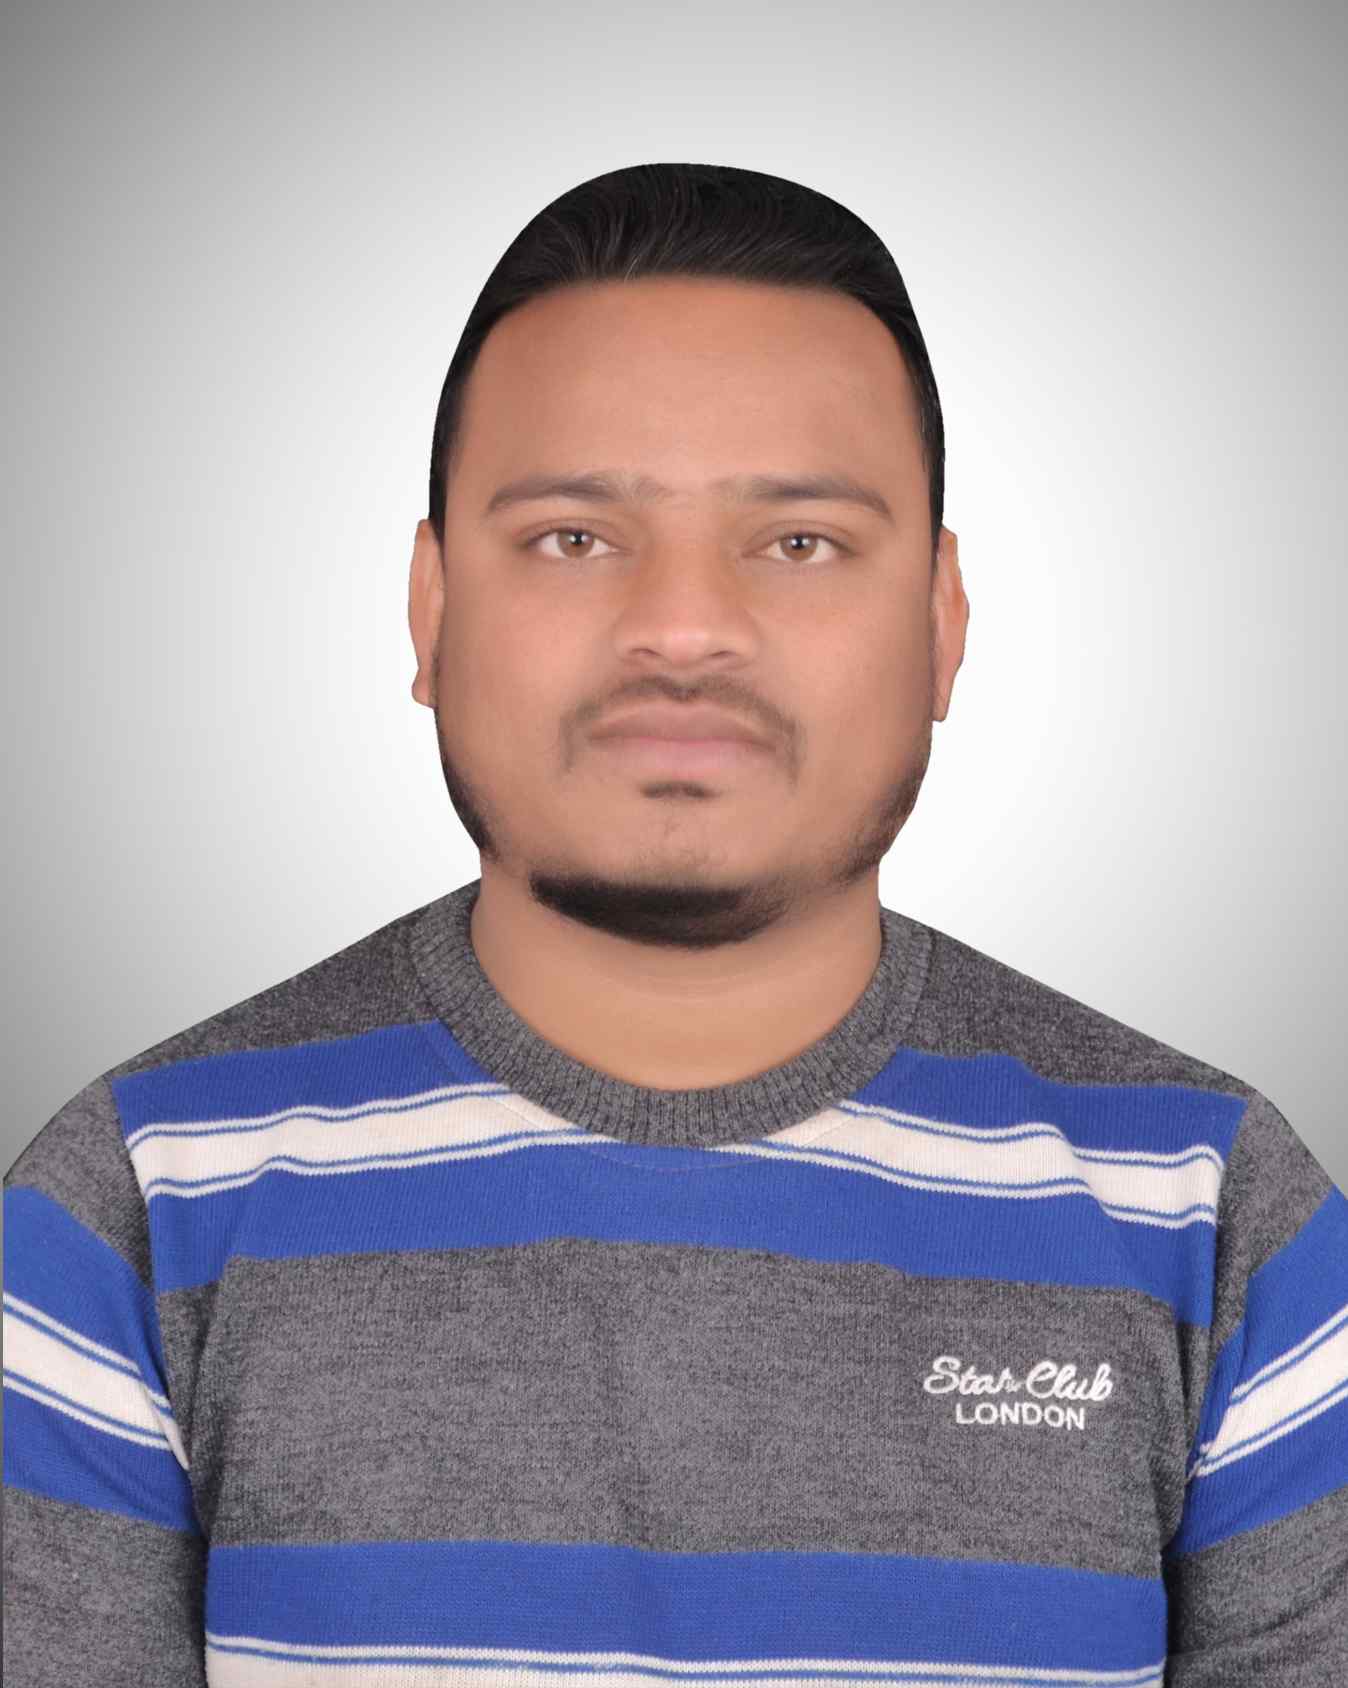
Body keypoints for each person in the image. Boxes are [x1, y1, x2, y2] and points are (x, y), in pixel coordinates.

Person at [4, 160, 1345, 1686]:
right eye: (574, 537)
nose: (686, 628)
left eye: (800, 541)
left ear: (942, 624)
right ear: (430, 612)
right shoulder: (133, 1207)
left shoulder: (1213, 1211)